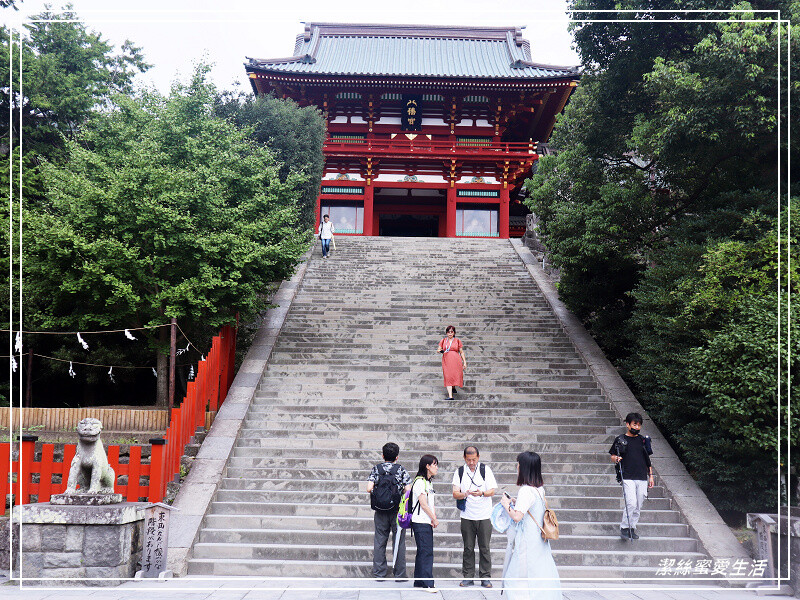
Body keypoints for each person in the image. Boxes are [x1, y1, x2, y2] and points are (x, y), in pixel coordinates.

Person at [500, 451, 561, 600]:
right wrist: (516, 502)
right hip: (539, 540)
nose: (517, 467)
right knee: (537, 572)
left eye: (519, 464)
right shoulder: (539, 489)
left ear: (524, 468)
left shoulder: (526, 490)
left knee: (518, 574)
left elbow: (516, 516)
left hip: (527, 541)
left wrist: (506, 504)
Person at [452, 445, 497, 588]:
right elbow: (455, 493)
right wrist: (465, 493)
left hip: (484, 515)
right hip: (467, 515)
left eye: (474, 459)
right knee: (468, 548)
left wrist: (482, 493)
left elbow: (492, 491)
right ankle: (468, 576)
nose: (471, 463)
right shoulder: (460, 471)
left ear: (478, 457)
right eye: (468, 460)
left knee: (485, 547)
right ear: (464, 458)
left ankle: (485, 577)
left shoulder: (485, 470)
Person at [367, 442, 412, 580]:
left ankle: (379, 573)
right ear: (397, 457)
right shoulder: (401, 470)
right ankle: (399, 574)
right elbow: (408, 489)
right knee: (399, 542)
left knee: (379, 541)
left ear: (383, 455)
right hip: (397, 511)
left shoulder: (376, 469)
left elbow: (369, 488)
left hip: (380, 511)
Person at [609, 412, 654, 540]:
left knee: (639, 504)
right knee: (631, 503)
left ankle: (632, 528)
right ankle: (624, 527)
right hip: (627, 476)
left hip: (642, 476)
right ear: (628, 424)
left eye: (639, 425)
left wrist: (650, 476)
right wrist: (616, 458)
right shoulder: (620, 439)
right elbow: (612, 456)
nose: (637, 427)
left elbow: (647, 460)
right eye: (635, 424)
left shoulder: (643, 440)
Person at [411, 454, 439, 593]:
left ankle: (419, 581)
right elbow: (423, 504)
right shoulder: (420, 482)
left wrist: (432, 518)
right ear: (427, 466)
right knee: (426, 552)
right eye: (434, 464)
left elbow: (430, 503)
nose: (437, 467)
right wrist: (433, 518)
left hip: (425, 521)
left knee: (423, 551)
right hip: (420, 522)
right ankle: (428, 583)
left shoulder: (428, 482)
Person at [436, 325, 466, 399]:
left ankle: (453, 387)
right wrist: (441, 351)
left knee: (454, 374)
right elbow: (438, 349)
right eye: (448, 332)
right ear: (446, 333)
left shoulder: (457, 341)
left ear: (454, 333)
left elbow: (461, 352)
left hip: (456, 360)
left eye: (451, 332)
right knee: (448, 376)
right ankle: (450, 396)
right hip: (447, 360)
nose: (450, 333)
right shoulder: (443, 340)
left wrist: (464, 362)